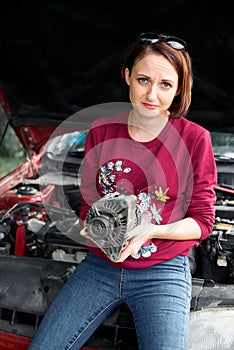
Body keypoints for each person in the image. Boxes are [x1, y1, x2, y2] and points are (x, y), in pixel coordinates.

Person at [28, 31, 217, 350]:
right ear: (127, 75)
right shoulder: (102, 130)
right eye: (144, 79)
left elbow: (202, 221)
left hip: (163, 272)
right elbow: (90, 199)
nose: (152, 95)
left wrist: (151, 230)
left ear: (179, 89)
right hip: (100, 266)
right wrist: (92, 225)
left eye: (166, 84)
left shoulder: (195, 139)